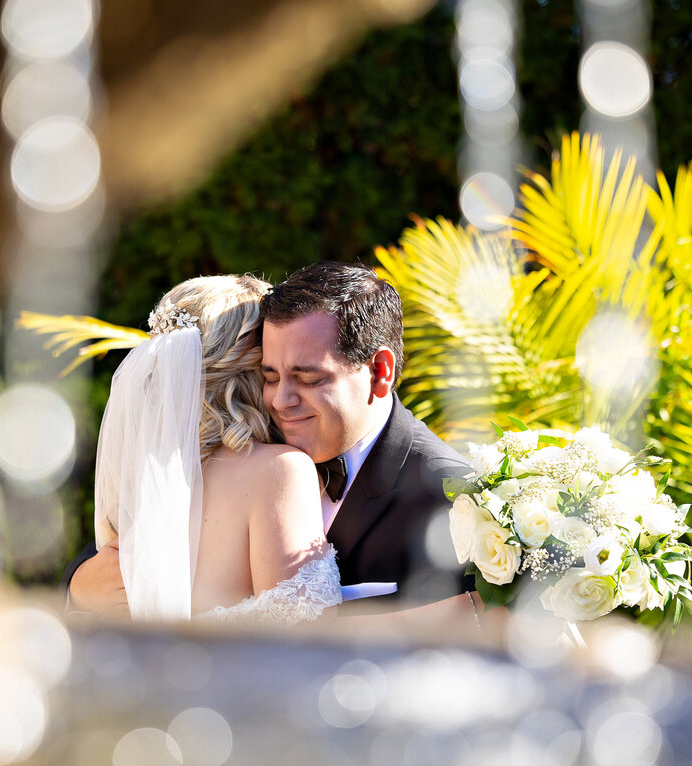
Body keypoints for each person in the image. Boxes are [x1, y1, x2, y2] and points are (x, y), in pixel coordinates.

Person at [67, 262, 476, 617]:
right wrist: (78, 585)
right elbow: (117, 557)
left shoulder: (455, 498)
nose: (281, 400)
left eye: (309, 378)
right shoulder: (187, 469)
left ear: (380, 372)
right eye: (269, 376)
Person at [85, 274, 342, 624]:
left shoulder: (147, 478)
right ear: (252, 367)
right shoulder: (281, 471)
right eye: (271, 367)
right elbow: (303, 640)